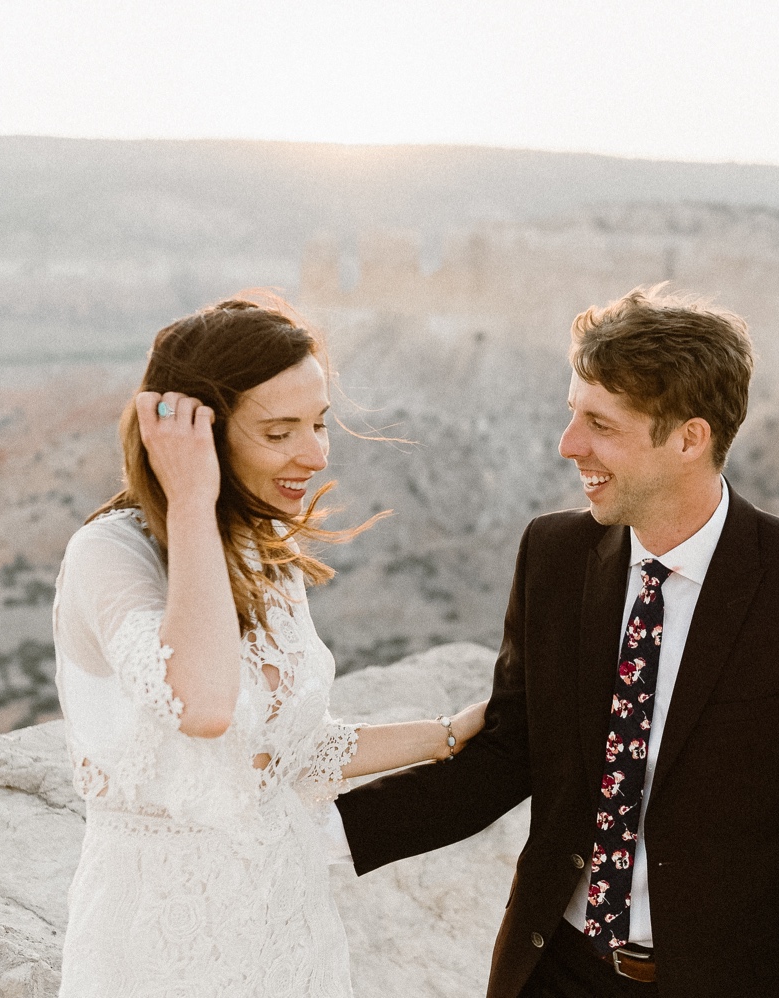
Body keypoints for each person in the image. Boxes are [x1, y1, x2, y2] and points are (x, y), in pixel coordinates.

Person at [335, 286, 779, 998]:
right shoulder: (553, 555)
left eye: (600, 424)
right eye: (573, 413)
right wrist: (321, 840)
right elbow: (507, 756)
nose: (567, 444)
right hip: (555, 971)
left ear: (688, 438)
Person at [52, 297, 485, 998]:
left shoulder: (260, 553)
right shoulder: (110, 554)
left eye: (317, 424)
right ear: (198, 434)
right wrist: (190, 498)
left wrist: (444, 735)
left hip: (285, 930)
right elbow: (203, 706)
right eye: (281, 431)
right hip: (162, 953)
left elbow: (284, 751)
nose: (315, 455)